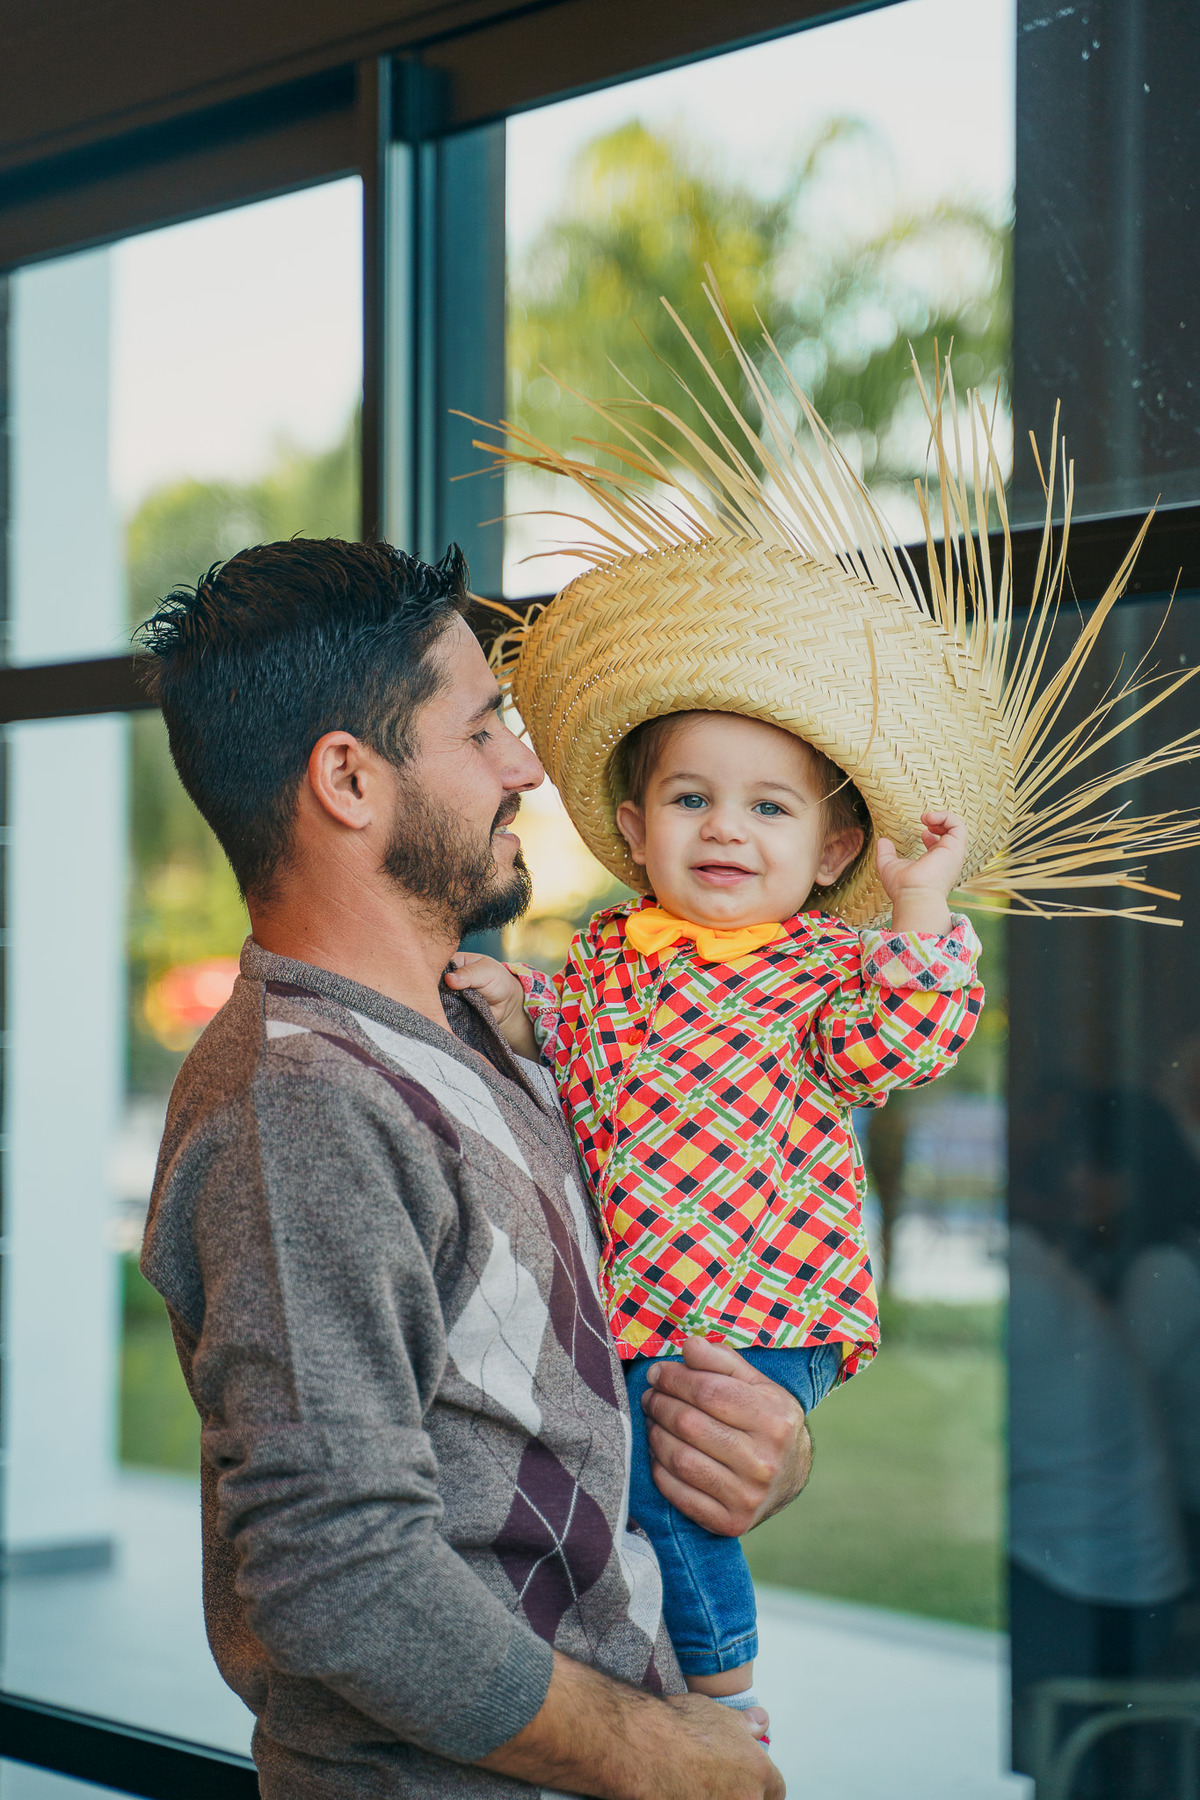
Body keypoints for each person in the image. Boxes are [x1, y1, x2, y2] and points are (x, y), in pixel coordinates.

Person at [138, 537, 807, 1800]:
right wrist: (667, 1760)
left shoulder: (478, 1030)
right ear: (350, 778)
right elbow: (342, 1578)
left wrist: (761, 1443)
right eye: (485, 724)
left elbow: (568, 1389)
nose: (528, 767)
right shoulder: (302, 1110)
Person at [449, 712, 983, 1712]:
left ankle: (726, 1699)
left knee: (662, 1485)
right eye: (692, 800)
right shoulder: (613, 957)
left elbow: (904, 1041)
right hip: (652, 1307)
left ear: (832, 853)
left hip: (768, 1304)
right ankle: (633, 1670)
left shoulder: (825, 972)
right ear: (637, 829)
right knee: (610, 1488)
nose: (726, 830)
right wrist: (517, 1007)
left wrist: (920, 911)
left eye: (768, 808)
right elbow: (571, 1046)